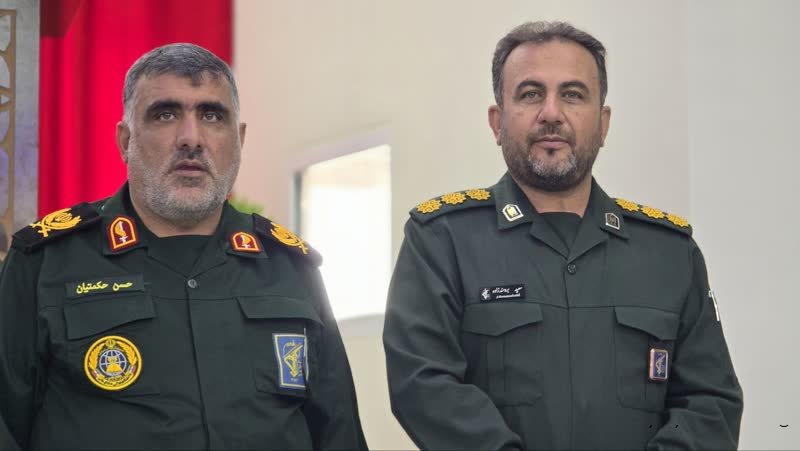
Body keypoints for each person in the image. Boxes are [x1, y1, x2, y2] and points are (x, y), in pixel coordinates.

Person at [384, 21, 743, 450]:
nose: (551, 113)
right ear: (497, 122)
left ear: (603, 123)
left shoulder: (669, 255)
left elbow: (710, 403)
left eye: (572, 94)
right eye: (530, 94)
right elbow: (423, 385)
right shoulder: (441, 241)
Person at [0, 43, 367, 450]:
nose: (191, 138)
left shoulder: (290, 267)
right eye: (165, 114)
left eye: (212, 115)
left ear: (239, 139)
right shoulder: (46, 262)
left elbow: (340, 434)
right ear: (125, 140)